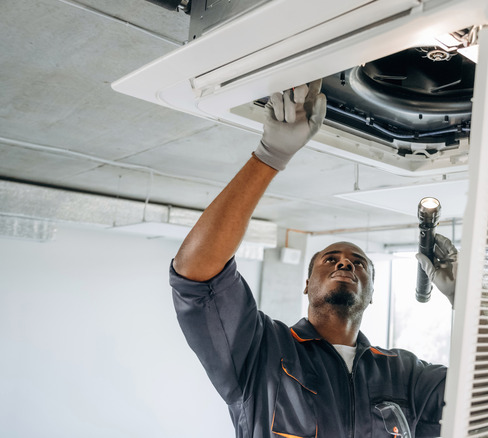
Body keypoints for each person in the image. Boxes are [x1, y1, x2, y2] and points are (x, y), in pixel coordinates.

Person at [170, 80, 458, 437]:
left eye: (358, 262)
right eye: (330, 259)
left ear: (371, 295)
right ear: (306, 285)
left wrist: (469, 301)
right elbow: (197, 276)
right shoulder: (262, 352)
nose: (344, 263)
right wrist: (269, 156)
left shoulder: (405, 375)